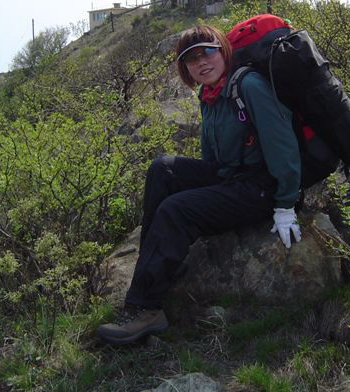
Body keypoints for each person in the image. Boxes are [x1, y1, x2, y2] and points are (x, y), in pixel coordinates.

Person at [97, 24, 302, 345]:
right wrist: (204, 192)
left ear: (223, 51)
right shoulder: (210, 94)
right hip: (230, 177)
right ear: (185, 67)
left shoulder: (248, 86)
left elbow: (282, 144)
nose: (201, 62)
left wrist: (286, 203)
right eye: (191, 58)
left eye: (208, 52)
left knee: (175, 210)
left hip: (261, 188)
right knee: (163, 169)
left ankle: (145, 309)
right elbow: (212, 159)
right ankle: (154, 265)